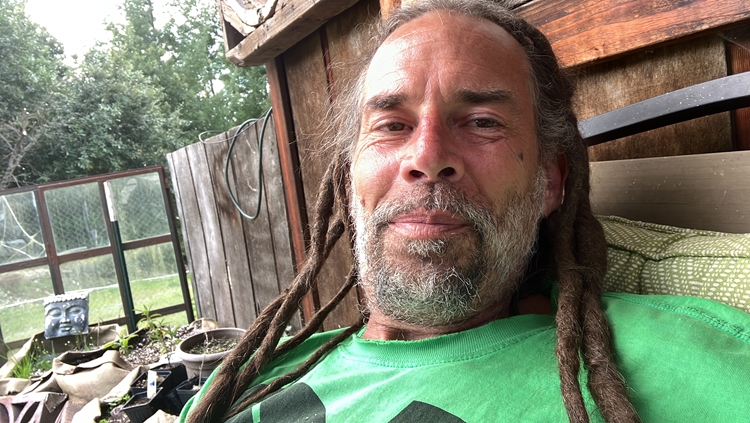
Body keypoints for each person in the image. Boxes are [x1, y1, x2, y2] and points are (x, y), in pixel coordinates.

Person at [181, 1, 750, 422]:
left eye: (481, 122)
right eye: (391, 125)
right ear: (351, 178)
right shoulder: (242, 384)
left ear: (550, 182)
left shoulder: (700, 360)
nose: (427, 157)